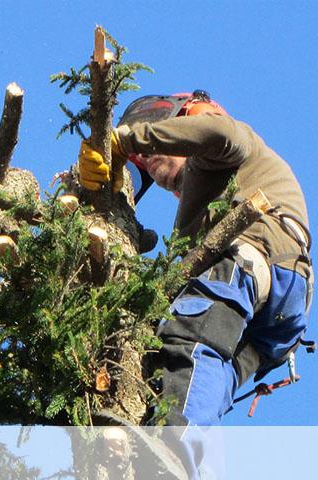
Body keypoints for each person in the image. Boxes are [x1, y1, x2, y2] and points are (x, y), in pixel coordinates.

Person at [78, 91, 313, 477]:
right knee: (193, 378)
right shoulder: (201, 200)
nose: (149, 161)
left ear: (186, 119)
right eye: (143, 163)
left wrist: (129, 138)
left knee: (192, 339)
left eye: (155, 143)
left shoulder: (226, 142)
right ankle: (186, 465)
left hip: (256, 256)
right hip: (278, 316)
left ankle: (175, 450)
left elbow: (217, 133)